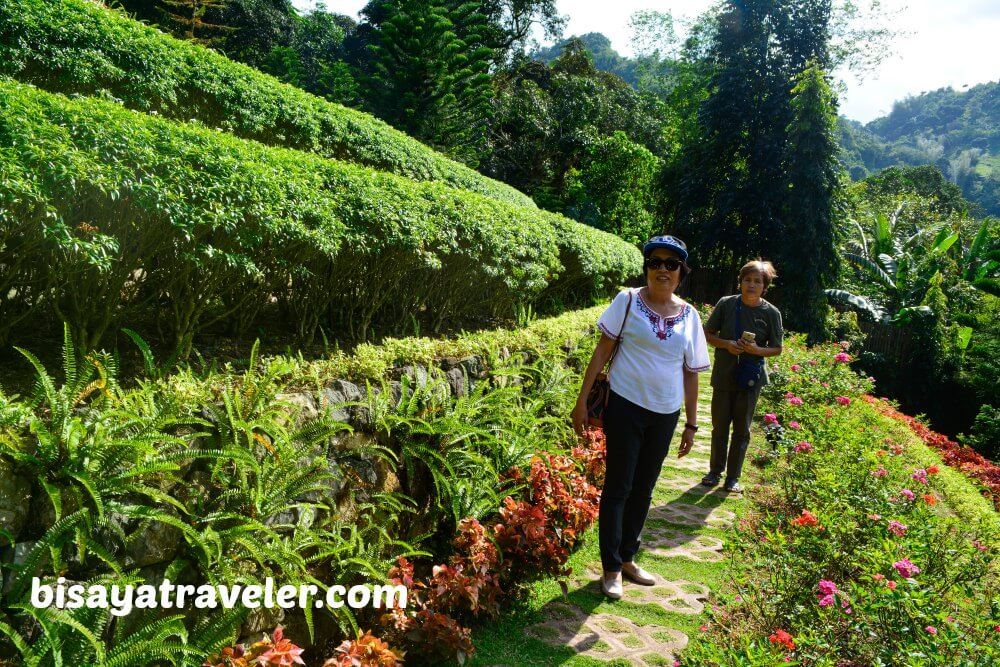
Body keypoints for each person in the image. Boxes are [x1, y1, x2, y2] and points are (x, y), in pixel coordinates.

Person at [572, 235, 710, 600]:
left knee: (645, 487)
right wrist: (582, 400)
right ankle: (611, 567)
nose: (662, 269)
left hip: (666, 413)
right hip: (625, 406)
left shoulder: (690, 315)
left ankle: (629, 558)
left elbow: (691, 372)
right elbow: (602, 351)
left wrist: (692, 423)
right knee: (619, 486)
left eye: (671, 264)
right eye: (655, 262)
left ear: (682, 271)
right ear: (646, 267)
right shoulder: (628, 301)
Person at [701, 260, 783, 494]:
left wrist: (757, 350)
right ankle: (714, 472)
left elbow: (777, 348)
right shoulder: (726, 305)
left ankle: (733, 477)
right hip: (724, 375)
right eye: (748, 279)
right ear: (740, 282)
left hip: (751, 379)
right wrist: (727, 344)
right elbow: (708, 334)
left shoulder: (771, 313)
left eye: (757, 281)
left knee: (742, 430)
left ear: (764, 286)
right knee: (719, 427)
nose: (751, 285)